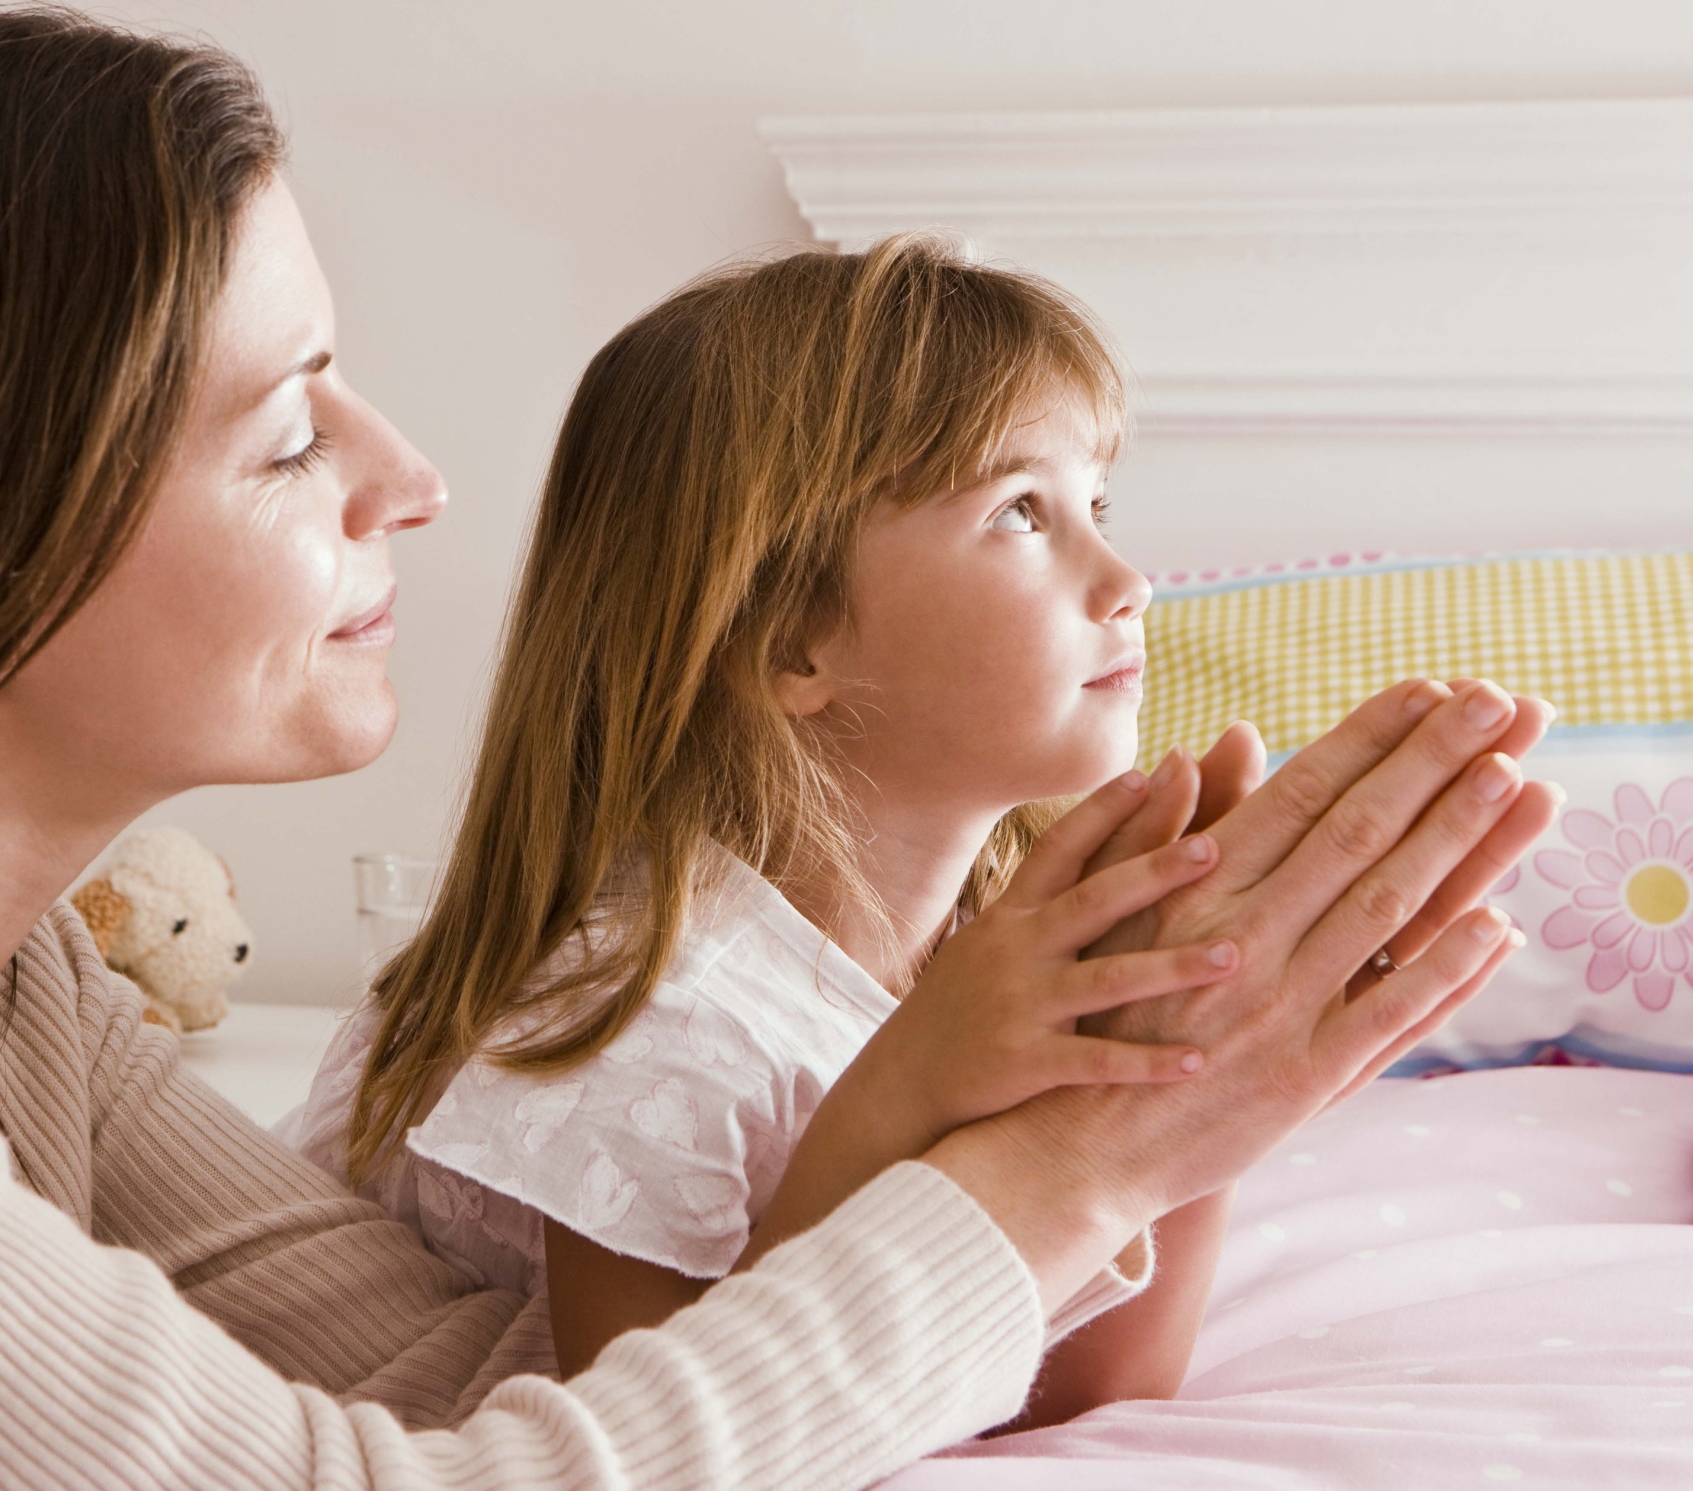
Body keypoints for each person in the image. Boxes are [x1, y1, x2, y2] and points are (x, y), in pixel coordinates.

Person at [0, 5, 1555, 1491]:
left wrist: (1089, 1114)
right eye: (285, 427)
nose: (411, 480)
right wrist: (1046, 1176)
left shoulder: (17, 994)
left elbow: (490, 1397)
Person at [278, 246, 1539, 1421]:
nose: (1126, 578)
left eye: (1096, 501)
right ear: (790, 638)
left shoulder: (974, 963)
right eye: (1021, 515)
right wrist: (916, 1097)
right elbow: (677, 1456)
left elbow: (1089, 1395)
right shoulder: (644, 1016)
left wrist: (1195, 1074)